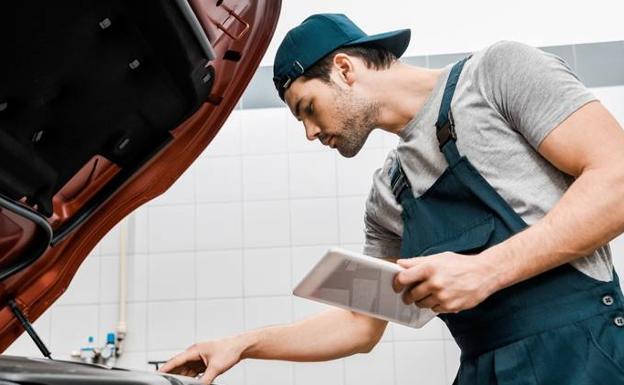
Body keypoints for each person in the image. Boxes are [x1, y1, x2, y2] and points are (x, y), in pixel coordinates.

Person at [160, 13, 624, 384]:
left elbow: (617, 177)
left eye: (308, 108)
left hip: (586, 354)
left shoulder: (496, 74)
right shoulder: (388, 194)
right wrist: (243, 345)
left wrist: (486, 270)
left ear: (344, 69)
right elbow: (360, 325)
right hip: (484, 369)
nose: (310, 132)